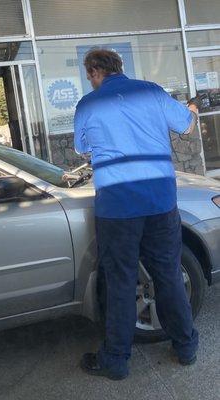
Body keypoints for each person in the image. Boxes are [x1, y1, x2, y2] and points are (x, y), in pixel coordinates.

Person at [74, 49, 199, 381]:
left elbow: (82, 148)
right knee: (168, 273)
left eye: (90, 75)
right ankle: (185, 346)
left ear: (94, 71)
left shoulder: (88, 104)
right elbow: (186, 126)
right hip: (159, 200)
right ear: (121, 68)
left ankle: (116, 359)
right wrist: (192, 109)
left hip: (117, 207)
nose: (91, 80)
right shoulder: (151, 91)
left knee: (120, 281)